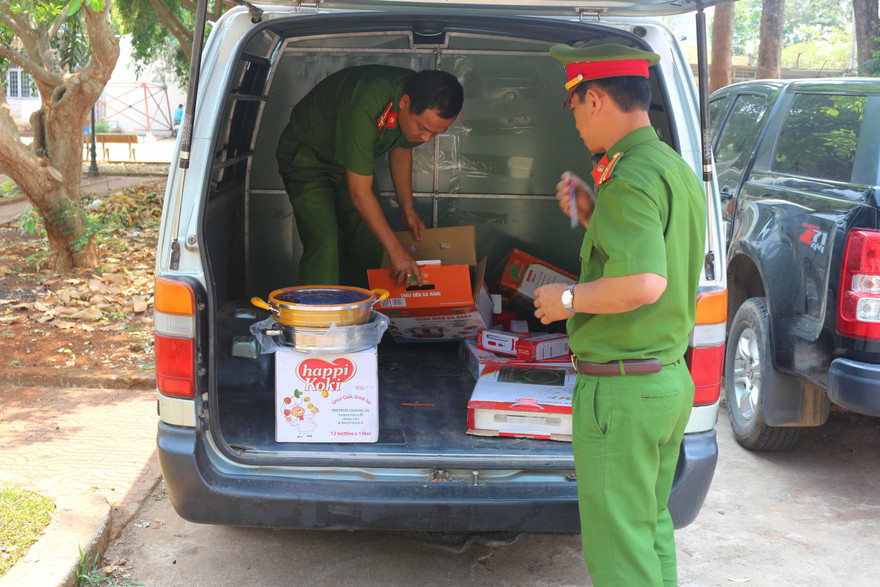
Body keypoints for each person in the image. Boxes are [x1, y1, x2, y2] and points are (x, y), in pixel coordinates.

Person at [532, 44, 706, 586]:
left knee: (618, 553)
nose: (578, 124)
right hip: (666, 382)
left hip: (624, 394)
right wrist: (592, 211)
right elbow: (652, 249)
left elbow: (644, 282)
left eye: (576, 108)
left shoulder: (629, 176)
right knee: (649, 529)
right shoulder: (669, 166)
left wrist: (565, 301)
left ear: (596, 98)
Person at [276, 66, 463, 288]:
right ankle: (318, 317)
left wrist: (407, 208)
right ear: (405, 102)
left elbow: (402, 150)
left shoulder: (415, 101)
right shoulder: (366, 103)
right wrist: (396, 251)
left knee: (369, 239)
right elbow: (360, 192)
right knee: (324, 242)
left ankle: (361, 310)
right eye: (423, 128)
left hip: (350, 164)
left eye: (436, 133)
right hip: (308, 159)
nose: (426, 138)